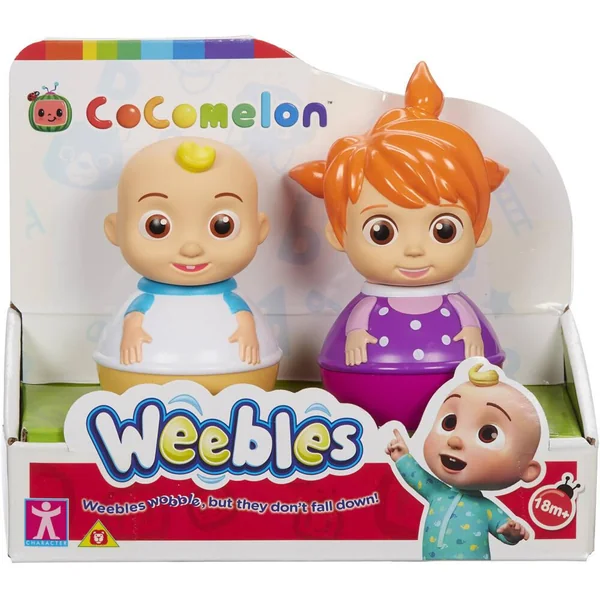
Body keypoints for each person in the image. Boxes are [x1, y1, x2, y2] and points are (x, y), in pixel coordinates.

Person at [289, 62, 508, 428]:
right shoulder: (364, 309)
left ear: (479, 230)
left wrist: (471, 333)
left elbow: (481, 356)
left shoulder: (458, 305)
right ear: (339, 236)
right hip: (366, 423)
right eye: (382, 232)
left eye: (443, 230)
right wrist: (356, 335)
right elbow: (350, 344)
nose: (414, 249)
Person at [94, 138, 281, 394]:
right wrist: (132, 330)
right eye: (157, 226)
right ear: (115, 230)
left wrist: (247, 330)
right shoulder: (143, 300)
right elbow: (136, 314)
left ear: (259, 229)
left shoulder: (233, 299)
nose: (191, 248)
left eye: (222, 226)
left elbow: (242, 315)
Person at [386, 362, 544, 560]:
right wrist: (402, 456)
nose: (455, 440)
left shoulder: (486, 508)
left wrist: (512, 532)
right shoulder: (437, 493)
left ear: (528, 470)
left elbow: (504, 529)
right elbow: (417, 476)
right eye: (449, 422)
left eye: (488, 434)